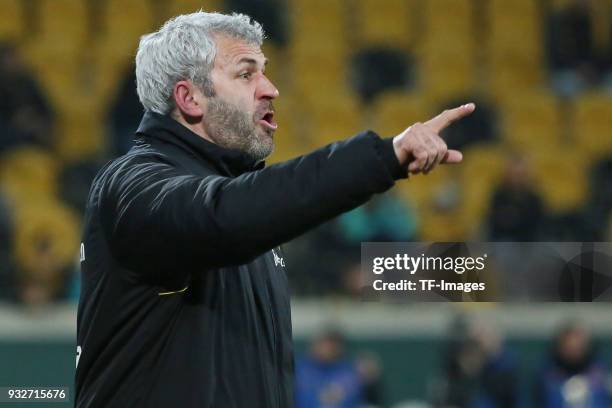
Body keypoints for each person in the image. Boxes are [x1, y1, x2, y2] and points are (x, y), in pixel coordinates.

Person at [75, 11, 474, 407]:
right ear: (189, 97)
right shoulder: (132, 187)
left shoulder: (244, 209)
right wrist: (383, 157)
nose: (270, 89)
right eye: (246, 74)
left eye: (264, 71)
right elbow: (225, 216)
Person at [534, 322, 611, 407]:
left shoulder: (602, 376)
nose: (573, 351)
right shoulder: (547, 378)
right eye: (569, 347)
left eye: (578, 347)